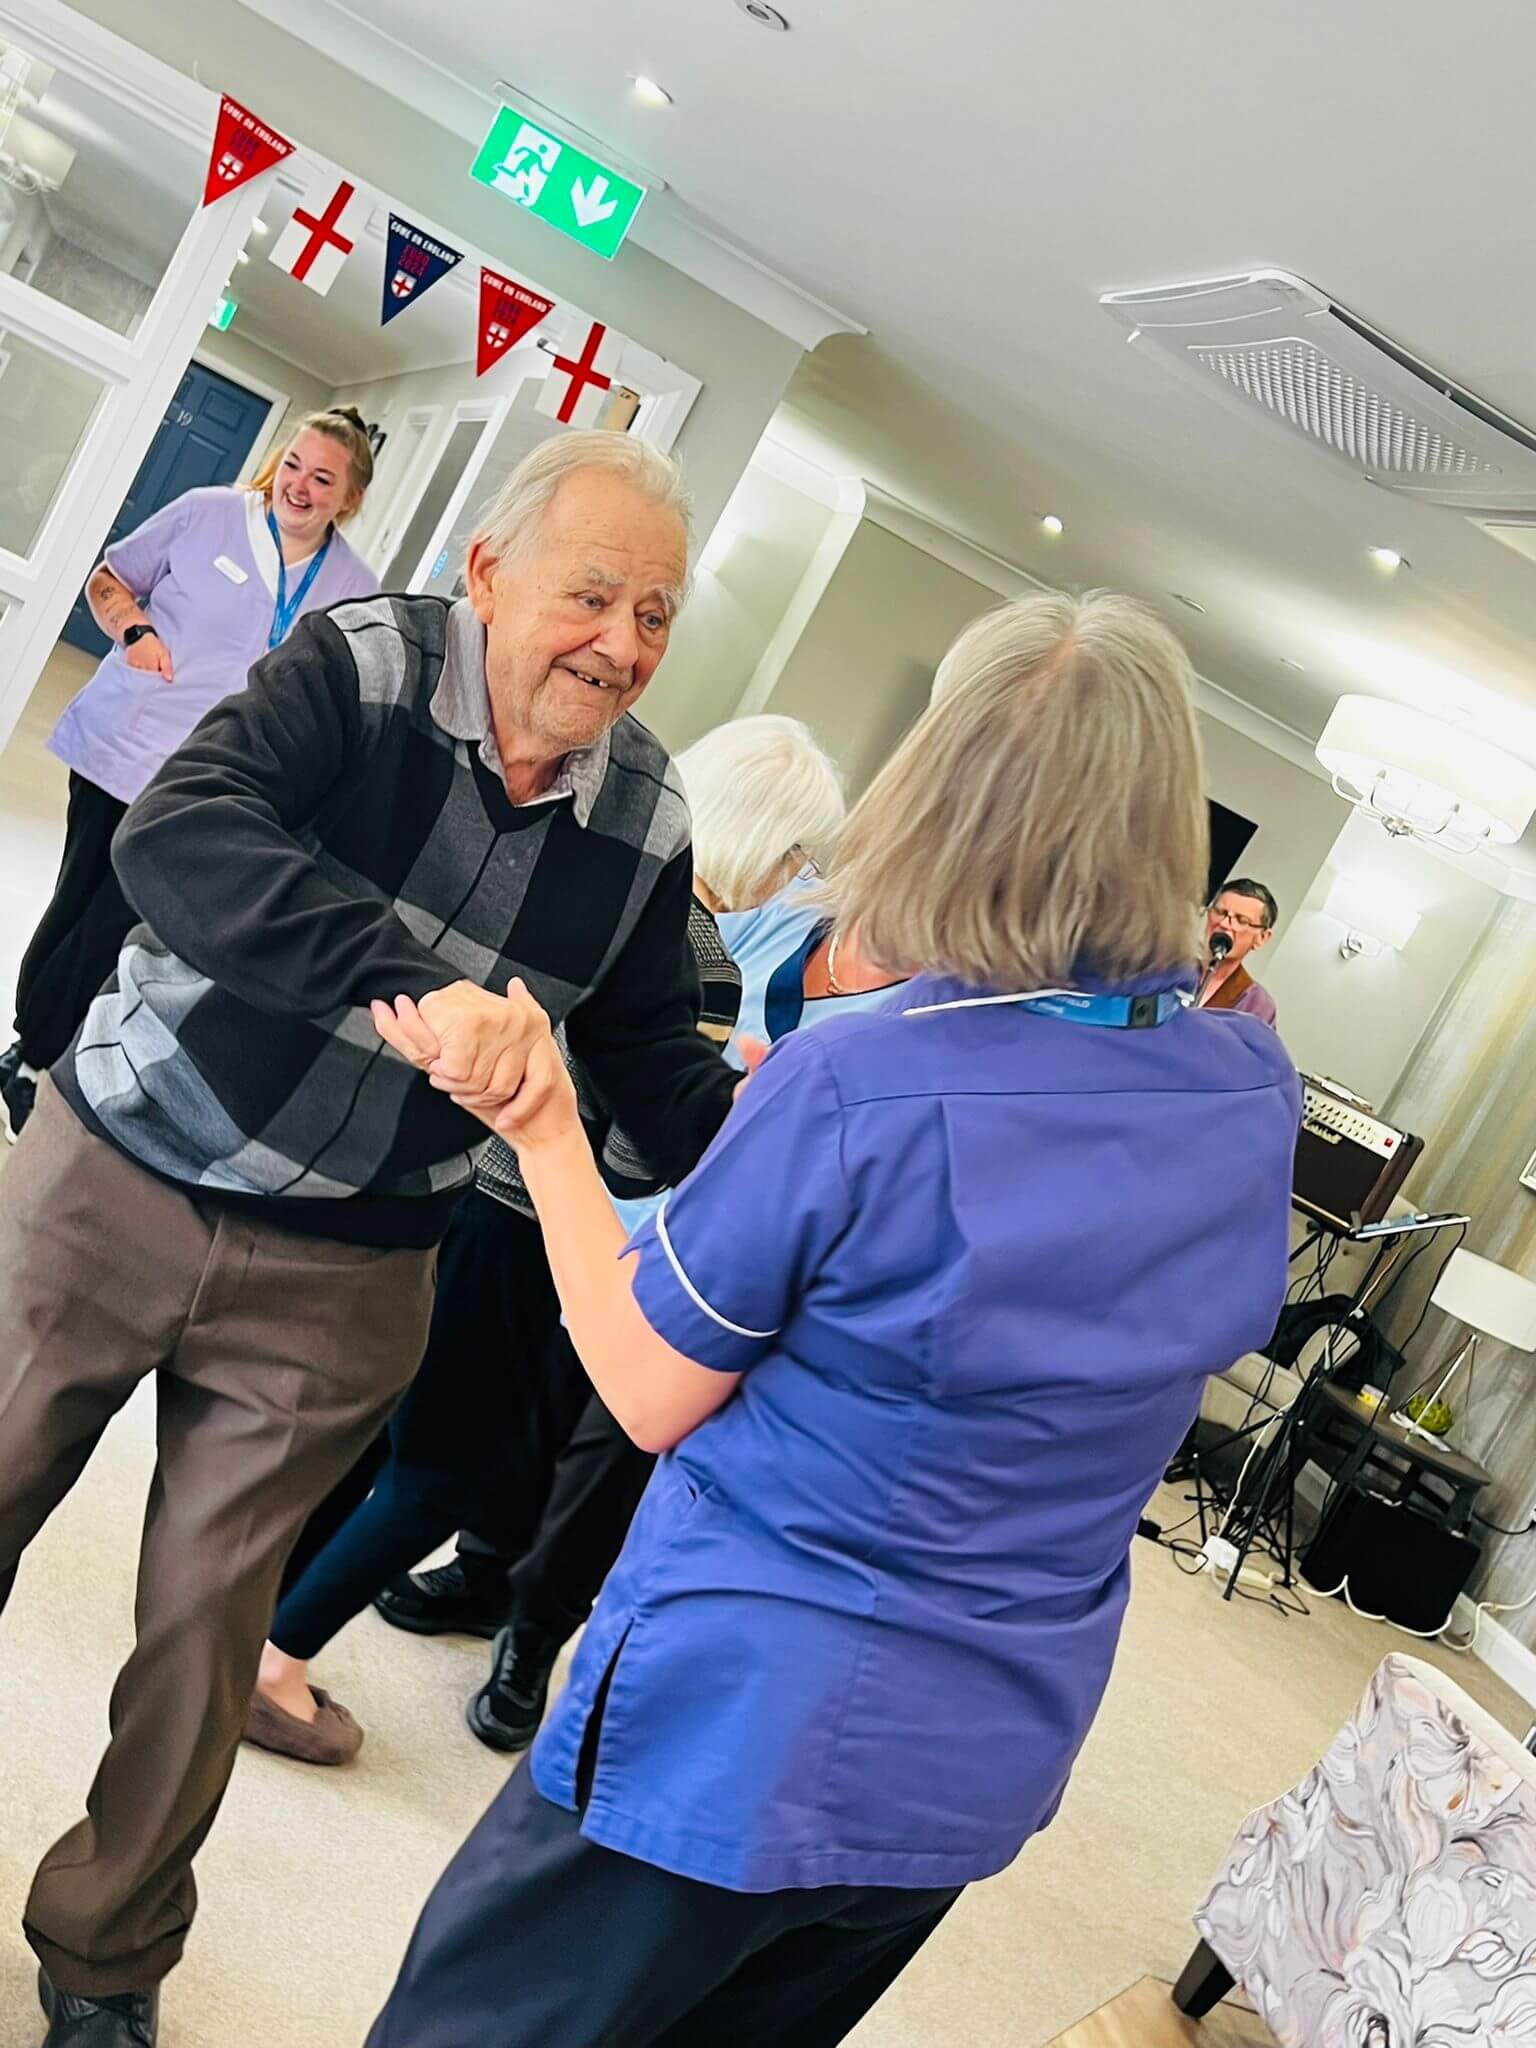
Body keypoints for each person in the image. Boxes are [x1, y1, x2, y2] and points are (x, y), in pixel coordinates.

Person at [364, 591, 1301, 2048]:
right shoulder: (1248, 1088)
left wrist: (546, 1120)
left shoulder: (861, 1089)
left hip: (740, 1731)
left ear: (941, 791)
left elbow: (646, 1385)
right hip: (973, 1759)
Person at [0, 430, 739, 2048]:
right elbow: (181, 835)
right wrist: (415, 984)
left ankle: (105, 1964)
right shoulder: (359, 668)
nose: (623, 643)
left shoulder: (647, 813)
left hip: (343, 1273)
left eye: (659, 614)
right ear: (488, 571)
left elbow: (646, 1050)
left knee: (205, 1640)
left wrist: (791, 1139)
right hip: (121, 1167)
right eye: (593, 593)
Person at [253, 713, 848, 1759]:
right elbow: (635, 1151)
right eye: (800, 854)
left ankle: (251, 1627)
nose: (798, 879)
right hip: (530, 1226)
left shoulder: (606, 900)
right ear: (770, 838)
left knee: (384, 1433)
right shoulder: (697, 959)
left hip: (455, 1191)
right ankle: (277, 1661)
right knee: (445, 1471)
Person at [0, 408, 381, 1139]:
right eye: (294, 464)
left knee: (121, 913)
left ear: (348, 498)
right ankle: (33, 1047)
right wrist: (136, 633)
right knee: (81, 896)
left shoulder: (353, 588)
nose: (299, 485)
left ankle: (35, 1052)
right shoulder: (208, 514)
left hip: (214, 780)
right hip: (128, 741)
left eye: (322, 477)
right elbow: (111, 578)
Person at [1197, 877, 1280, 1025]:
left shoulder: (1256, 1005)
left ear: (1262, 938)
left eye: (1241, 920)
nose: (1224, 924)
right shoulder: (1168, 968)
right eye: (1220, 912)